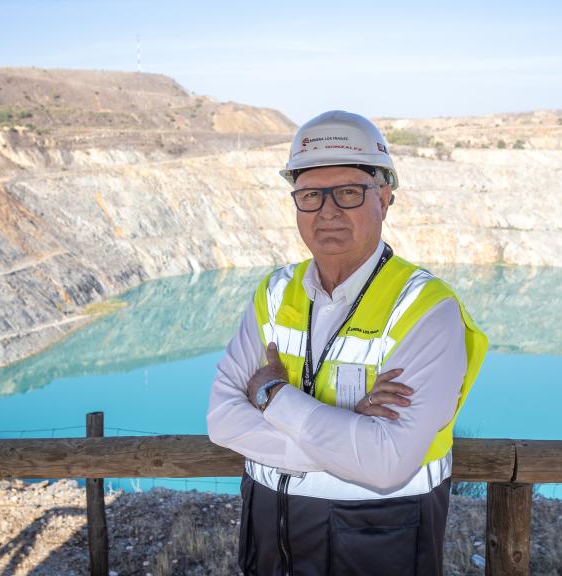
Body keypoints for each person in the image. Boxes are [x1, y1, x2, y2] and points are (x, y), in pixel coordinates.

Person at [207, 110, 488, 576]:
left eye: (349, 192)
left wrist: (271, 397)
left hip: (380, 541)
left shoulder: (426, 309)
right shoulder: (276, 293)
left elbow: (385, 464)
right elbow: (221, 421)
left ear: (385, 196)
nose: (328, 211)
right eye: (311, 195)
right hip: (268, 535)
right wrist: (347, 432)